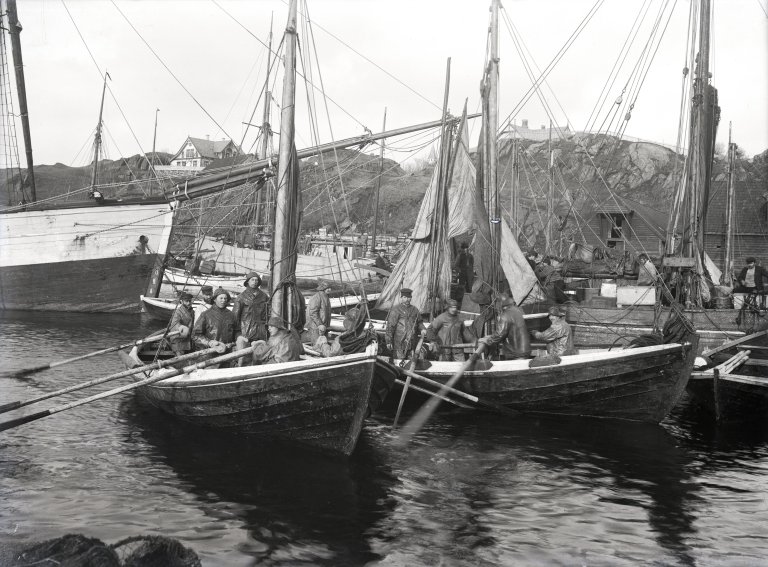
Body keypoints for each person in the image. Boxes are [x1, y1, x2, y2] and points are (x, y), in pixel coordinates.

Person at [193, 287, 239, 367]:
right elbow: (195, 335)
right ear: (214, 299)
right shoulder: (206, 315)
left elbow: (237, 331)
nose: (223, 300)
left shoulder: (231, 315)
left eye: (225, 298)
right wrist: (209, 342)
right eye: (221, 298)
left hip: (227, 354)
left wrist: (238, 340)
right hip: (209, 354)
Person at [232, 272, 269, 361]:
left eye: (256, 280)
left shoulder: (264, 296)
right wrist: (237, 334)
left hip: (261, 330)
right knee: (244, 357)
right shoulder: (241, 297)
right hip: (246, 330)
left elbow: (268, 313)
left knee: (260, 356)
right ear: (247, 282)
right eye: (252, 280)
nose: (255, 282)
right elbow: (235, 316)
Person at [385, 288, 426, 358]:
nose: (407, 299)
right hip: (399, 342)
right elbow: (390, 326)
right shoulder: (396, 310)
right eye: (405, 297)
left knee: (411, 361)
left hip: (412, 342)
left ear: (411, 298)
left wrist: (423, 329)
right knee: (399, 361)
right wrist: (388, 341)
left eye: (409, 297)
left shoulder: (414, 310)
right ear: (401, 298)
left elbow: (419, 322)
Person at [168, 291, 195, 356]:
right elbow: (175, 323)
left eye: (190, 301)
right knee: (180, 358)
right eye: (186, 301)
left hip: (189, 338)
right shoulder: (178, 312)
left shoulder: (192, 311)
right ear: (182, 301)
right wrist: (181, 327)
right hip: (178, 339)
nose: (188, 303)